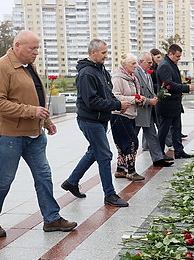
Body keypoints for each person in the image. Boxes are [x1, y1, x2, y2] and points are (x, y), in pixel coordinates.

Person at [0, 30, 77, 238]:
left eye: (37, 48)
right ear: (17, 46)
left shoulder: (28, 66)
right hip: (8, 135)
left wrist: (46, 121)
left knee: (44, 176)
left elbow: (35, 97)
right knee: (4, 178)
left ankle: (52, 218)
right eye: (32, 48)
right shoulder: (0, 67)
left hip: (34, 134)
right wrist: (31, 112)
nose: (36, 52)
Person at [61, 39, 130, 207]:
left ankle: (71, 181)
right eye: (104, 53)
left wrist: (117, 105)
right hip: (90, 120)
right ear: (93, 52)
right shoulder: (86, 74)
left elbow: (108, 93)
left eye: (106, 52)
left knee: (94, 151)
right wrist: (116, 105)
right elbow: (92, 101)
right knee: (105, 155)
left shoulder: (101, 70)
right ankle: (109, 194)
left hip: (100, 119)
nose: (106, 56)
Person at [134, 51, 174, 167]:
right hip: (139, 112)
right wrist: (148, 100)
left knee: (152, 135)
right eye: (149, 62)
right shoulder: (136, 74)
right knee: (132, 139)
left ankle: (158, 159)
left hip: (148, 110)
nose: (151, 65)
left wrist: (154, 97)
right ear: (141, 62)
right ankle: (126, 163)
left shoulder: (147, 73)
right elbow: (136, 93)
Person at [156, 44, 194, 159]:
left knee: (177, 128)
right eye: (177, 56)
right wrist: (185, 88)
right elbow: (168, 84)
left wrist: (182, 88)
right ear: (170, 54)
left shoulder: (171, 64)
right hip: (167, 104)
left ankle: (179, 151)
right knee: (164, 130)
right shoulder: (165, 65)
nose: (179, 58)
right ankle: (159, 153)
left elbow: (174, 82)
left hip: (174, 103)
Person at [111, 53, 146, 181]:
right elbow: (115, 97)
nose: (136, 66)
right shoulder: (118, 78)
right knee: (132, 142)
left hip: (130, 114)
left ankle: (120, 169)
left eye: (136, 63)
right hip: (120, 115)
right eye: (133, 63)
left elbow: (134, 95)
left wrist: (139, 99)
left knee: (123, 143)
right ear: (124, 65)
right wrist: (133, 99)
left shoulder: (132, 78)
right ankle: (131, 171)